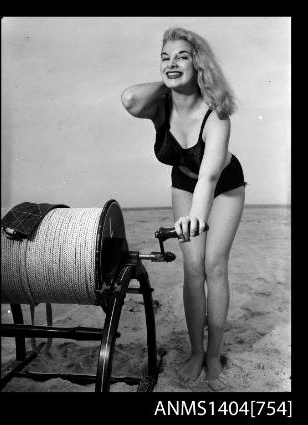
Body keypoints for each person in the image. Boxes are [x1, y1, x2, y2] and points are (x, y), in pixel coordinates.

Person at [121, 27, 246, 388]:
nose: (171, 62)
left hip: (223, 185)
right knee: (192, 268)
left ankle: (213, 352)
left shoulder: (216, 114)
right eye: (165, 57)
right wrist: (171, 78)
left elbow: (208, 178)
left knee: (213, 265)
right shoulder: (159, 105)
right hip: (183, 182)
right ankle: (195, 351)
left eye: (182, 56)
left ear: (200, 64)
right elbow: (130, 99)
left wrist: (197, 217)